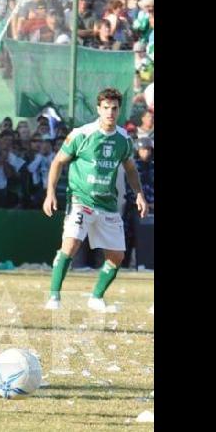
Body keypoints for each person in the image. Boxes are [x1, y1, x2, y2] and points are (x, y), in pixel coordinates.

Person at [41, 88, 148, 312]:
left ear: (119, 110)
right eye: (106, 108)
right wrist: (50, 193)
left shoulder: (123, 139)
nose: (110, 112)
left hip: (107, 204)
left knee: (117, 256)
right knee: (70, 245)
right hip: (81, 200)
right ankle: (54, 296)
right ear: (98, 109)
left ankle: (96, 297)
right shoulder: (82, 134)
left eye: (114, 108)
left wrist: (139, 193)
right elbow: (58, 162)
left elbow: (131, 169)